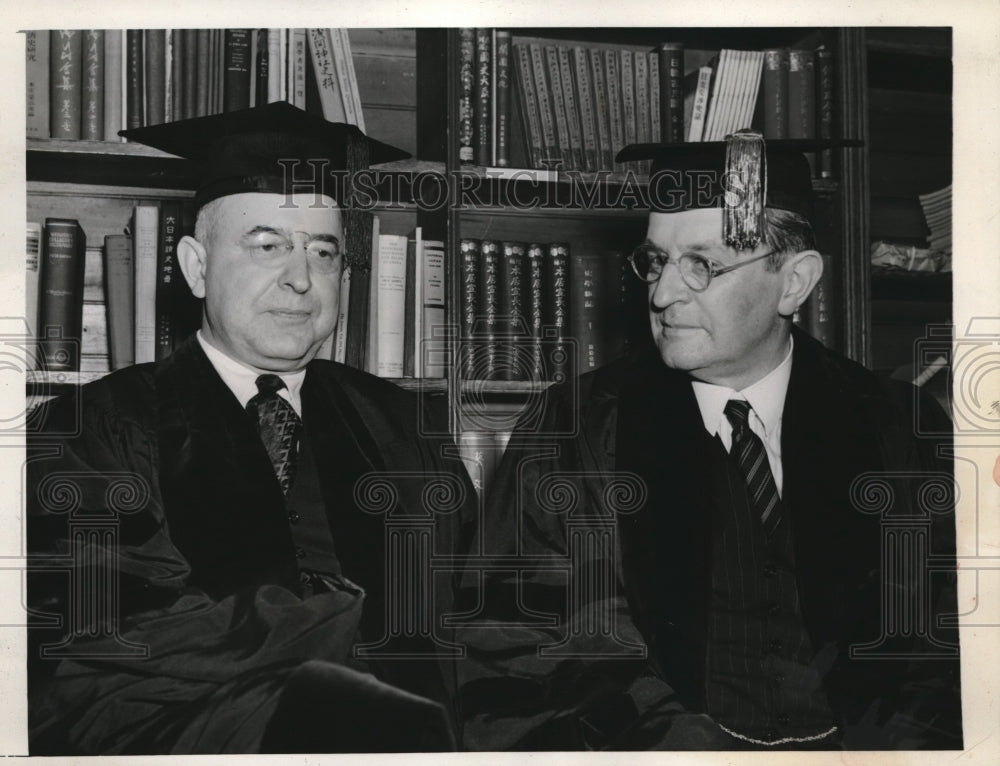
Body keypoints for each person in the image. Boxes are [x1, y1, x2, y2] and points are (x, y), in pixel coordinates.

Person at [455, 132, 962, 750]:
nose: (664, 294)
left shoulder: (901, 425)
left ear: (794, 283)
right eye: (655, 261)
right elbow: (526, 638)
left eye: (703, 264)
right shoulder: (573, 428)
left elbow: (951, 638)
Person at [27, 103, 475, 754]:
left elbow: (481, 620)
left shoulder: (404, 425)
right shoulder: (90, 429)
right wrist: (341, 632)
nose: (300, 280)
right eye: (267, 246)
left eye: (323, 253)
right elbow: (99, 648)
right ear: (196, 266)